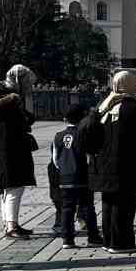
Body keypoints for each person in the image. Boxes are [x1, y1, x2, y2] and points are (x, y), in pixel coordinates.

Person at [85, 71, 136, 253]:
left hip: (103, 164)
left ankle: (108, 240)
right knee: (124, 204)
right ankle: (121, 243)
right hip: (127, 164)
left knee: (108, 202)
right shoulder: (135, 109)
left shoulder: (104, 106)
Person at [0, 65, 38, 239]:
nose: (30, 86)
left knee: (8, 186)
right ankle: (11, 226)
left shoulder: (4, 93)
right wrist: (19, 101)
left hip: (6, 144)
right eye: (27, 82)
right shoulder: (9, 95)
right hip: (9, 145)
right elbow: (25, 118)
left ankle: (9, 223)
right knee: (14, 185)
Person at [49, 101, 100, 247]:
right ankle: (93, 237)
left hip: (65, 177)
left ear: (65, 119)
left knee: (67, 208)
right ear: (82, 118)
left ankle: (67, 239)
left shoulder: (58, 136)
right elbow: (90, 155)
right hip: (82, 176)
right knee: (87, 207)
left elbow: (55, 159)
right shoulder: (82, 133)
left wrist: (64, 170)